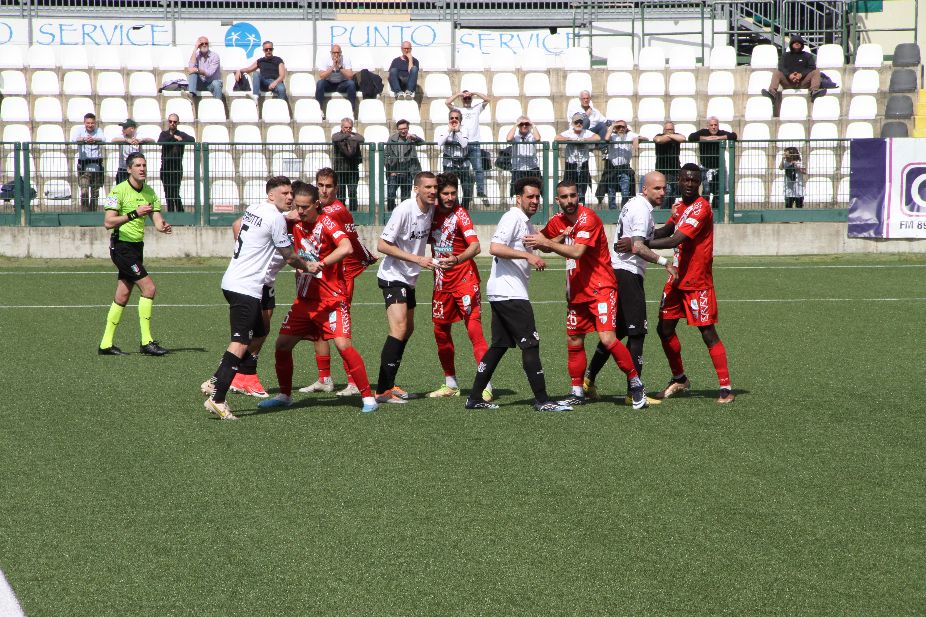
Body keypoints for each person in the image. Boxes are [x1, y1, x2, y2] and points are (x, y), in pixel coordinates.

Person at [523, 179, 650, 410]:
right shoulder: (558, 221)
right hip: (576, 290)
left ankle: (636, 384)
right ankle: (577, 392)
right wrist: (553, 239)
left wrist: (549, 242)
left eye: (573, 195)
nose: (569, 201)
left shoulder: (588, 218)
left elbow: (577, 252)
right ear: (558, 200)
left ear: (578, 196)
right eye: (564, 197)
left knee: (607, 338)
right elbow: (540, 243)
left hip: (601, 287)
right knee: (574, 339)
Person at [616, 164, 735, 404]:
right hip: (677, 278)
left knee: (707, 332)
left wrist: (638, 245)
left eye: (694, 180)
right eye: (685, 180)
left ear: (700, 182)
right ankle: (679, 378)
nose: (690, 184)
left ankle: (725, 388)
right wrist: (639, 237)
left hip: (697, 280)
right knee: (664, 328)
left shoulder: (702, 208)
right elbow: (667, 230)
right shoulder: (680, 206)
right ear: (679, 181)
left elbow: (675, 239)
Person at [258, 182, 378, 413]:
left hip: (332, 299)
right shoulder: (293, 222)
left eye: (305, 207)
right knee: (282, 345)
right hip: (304, 300)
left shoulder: (328, 223)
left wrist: (321, 263)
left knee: (343, 345)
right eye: (297, 206)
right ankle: (285, 395)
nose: (301, 211)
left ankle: (367, 397)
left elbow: (346, 247)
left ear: (316, 205)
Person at [201, 176, 311, 421]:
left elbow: (244, 225)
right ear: (271, 195)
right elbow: (289, 256)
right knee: (240, 342)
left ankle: (216, 382)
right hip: (246, 287)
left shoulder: (255, 208)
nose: (290, 197)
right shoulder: (276, 218)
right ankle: (217, 399)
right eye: (284, 193)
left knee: (259, 331)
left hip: (235, 282)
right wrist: (308, 266)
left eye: (291, 193)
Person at [462, 177, 572, 412]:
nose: (534, 201)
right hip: (510, 293)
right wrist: (528, 256)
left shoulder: (526, 223)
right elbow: (495, 247)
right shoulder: (512, 217)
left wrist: (558, 238)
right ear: (518, 198)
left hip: (502, 293)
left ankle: (474, 398)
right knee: (530, 344)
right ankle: (542, 400)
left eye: (537, 197)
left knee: (499, 346)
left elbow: (538, 244)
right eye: (530, 196)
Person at [584, 171, 679, 405]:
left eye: (664, 188)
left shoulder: (636, 205)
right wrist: (665, 262)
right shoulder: (641, 209)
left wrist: (672, 221)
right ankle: (633, 393)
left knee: (616, 333)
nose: (662, 192)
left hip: (619, 272)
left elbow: (647, 237)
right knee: (637, 334)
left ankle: (588, 380)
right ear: (645, 189)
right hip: (627, 274)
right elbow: (638, 246)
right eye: (657, 188)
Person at [299, 168, 378, 397]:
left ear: (336, 188)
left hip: (340, 278)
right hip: (320, 277)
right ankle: (324, 378)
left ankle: (353, 381)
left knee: (339, 330)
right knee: (318, 326)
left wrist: (363, 260)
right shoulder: (316, 209)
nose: (324, 190)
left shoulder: (336, 211)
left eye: (329, 186)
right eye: (320, 185)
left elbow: (350, 243)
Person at [226, 193, 301, 399]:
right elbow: (237, 225)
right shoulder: (279, 218)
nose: (298, 207)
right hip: (256, 282)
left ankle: (243, 375)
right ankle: (234, 375)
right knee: (250, 333)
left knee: (262, 330)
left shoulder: (296, 223)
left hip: (267, 282)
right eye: (297, 204)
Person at [373, 172, 440, 404]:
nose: (432, 191)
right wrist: (417, 259)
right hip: (393, 276)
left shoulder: (432, 209)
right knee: (399, 329)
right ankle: (382, 390)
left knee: (407, 330)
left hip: (410, 278)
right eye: (427, 187)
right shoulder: (404, 210)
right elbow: (382, 245)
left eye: (435, 187)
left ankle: (390, 384)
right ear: (416, 189)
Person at [97, 152, 172, 357]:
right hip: (122, 247)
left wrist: (162, 226)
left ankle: (105, 344)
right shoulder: (118, 191)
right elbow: (108, 222)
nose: (142, 169)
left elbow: (157, 220)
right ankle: (146, 342)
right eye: (137, 165)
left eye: (144, 165)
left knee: (122, 294)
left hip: (137, 248)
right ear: (129, 169)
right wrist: (134, 214)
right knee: (149, 288)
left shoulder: (149, 192)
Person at [427, 172, 492, 400]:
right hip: (441, 283)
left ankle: (486, 385)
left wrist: (456, 259)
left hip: (465, 281)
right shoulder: (430, 214)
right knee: (440, 332)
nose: (450, 197)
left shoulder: (461, 214)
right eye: (445, 193)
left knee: (474, 331)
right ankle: (451, 384)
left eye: (453, 193)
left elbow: (475, 246)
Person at [446, 89, 491, 207]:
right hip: (462, 143)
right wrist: (459, 94)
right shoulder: (458, 110)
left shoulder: (476, 108)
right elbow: (447, 102)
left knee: (478, 169)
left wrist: (475, 93)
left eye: (468, 98)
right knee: (462, 172)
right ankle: (457, 197)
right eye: (465, 98)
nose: (467, 100)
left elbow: (487, 99)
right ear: (462, 99)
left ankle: (480, 191)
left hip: (474, 143)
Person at [762, 34, 824, 111]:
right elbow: (781, 67)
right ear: (791, 44)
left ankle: (814, 91)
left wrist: (801, 75)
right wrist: (789, 75)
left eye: (799, 42)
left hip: (803, 82)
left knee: (816, 70)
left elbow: (812, 67)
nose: (797, 43)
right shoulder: (785, 55)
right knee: (777, 72)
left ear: (802, 44)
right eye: (794, 42)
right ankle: (772, 93)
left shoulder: (807, 56)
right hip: (788, 82)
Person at [688, 117, 736, 210]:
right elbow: (691, 137)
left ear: (718, 125)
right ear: (708, 126)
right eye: (711, 125)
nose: (714, 127)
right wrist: (706, 138)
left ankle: (716, 213)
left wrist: (719, 138)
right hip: (705, 168)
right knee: (706, 191)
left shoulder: (721, 133)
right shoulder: (703, 132)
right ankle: (704, 212)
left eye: (715, 125)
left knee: (718, 193)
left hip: (719, 168)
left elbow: (734, 136)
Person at [598, 119, 643, 209]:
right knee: (611, 192)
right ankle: (612, 211)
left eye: (623, 127)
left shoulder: (630, 135)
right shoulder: (613, 136)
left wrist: (637, 138)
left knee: (625, 192)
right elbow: (606, 138)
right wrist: (613, 126)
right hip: (612, 168)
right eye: (619, 127)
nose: (621, 129)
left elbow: (646, 138)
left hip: (625, 167)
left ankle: (624, 210)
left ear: (626, 128)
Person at [555, 114, 600, 204]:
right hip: (571, 164)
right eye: (576, 122)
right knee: (569, 188)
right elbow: (557, 138)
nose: (579, 124)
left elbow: (597, 137)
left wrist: (584, 140)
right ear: (572, 123)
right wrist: (571, 140)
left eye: (580, 122)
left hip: (583, 164)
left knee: (582, 190)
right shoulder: (569, 132)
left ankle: (581, 208)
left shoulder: (586, 132)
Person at [156, 113, 194, 213]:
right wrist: (174, 138)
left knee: (175, 193)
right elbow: (160, 142)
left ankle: (180, 214)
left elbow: (192, 140)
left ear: (178, 123)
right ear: (168, 122)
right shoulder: (164, 134)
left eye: (174, 122)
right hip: (165, 168)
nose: (172, 123)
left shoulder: (181, 134)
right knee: (168, 194)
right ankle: (171, 214)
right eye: (170, 121)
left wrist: (181, 139)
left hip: (176, 168)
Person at [435, 109, 473, 209]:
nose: (454, 120)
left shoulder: (465, 129)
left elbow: (464, 144)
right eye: (452, 118)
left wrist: (457, 131)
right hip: (449, 164)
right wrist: (449, 131)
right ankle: (454, 209)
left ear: (460, 120)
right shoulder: (444, 129)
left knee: (467, 190)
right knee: (450, 189)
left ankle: (464, 209)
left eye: (456, 118)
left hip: (463, 164)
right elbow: (440, 143)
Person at [384, 119, 423, 210]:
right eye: (400, 129)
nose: (403, 131)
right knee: (390, 195)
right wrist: (390, 169)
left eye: (405, 128)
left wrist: (414, 137)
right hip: (394, 172)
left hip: (408, 172)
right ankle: (391, 212)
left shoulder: (411, 138)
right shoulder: (392, 138)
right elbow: (385, 155)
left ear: (408, 128)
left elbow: (422, 142)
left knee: (405, 197)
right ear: (397, 129)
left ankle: (404, 214)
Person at [71, 112, 105, 211]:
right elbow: (73, 139)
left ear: (95, 123)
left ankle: (93, 213)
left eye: (92, 123)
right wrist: (84, 139)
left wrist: (94, 139)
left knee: (95, 192)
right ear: (84, 123)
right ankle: (84, 214)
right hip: (83, 165)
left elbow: (103, 139)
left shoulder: (99, 130)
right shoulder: (79, 130)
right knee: (84, 192)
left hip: (97, 165)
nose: (90, 125)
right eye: (88, 123)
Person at [331, 117, 364, 211]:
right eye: (346, 127)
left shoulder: (354, 135)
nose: (348, 129)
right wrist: (348, 136)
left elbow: (361, 138)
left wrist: (349, 136)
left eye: (350, 127)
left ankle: (354, 213)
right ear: (341, 127)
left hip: (353, 170)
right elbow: (335, 138)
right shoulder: (337, 135)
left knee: (353, 193)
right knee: (341, 194)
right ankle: (341, 213)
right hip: (340, 170)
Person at [506, 115, 541, 197]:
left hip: (532, 168)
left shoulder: (531, 136)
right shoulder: (515, 136)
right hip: (518, 168)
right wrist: (516, 124)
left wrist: (533, 125)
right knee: (517, 191)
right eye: (521, 124)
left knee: (537, 190)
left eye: (526, 124)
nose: (524, 126)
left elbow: (538, 138)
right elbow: (508, 139)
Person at [315, 45, 356, 115]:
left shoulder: (346, 59)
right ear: (331, 53)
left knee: (351, 84)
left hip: (341, 84)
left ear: (341, 53)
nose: (336, 54)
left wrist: (339, 66)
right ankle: (319, 110)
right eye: (334, 53)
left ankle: (351, 110)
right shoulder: (325, 59)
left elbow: (350, 76)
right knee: (320, 83)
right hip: (329, 83)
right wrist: (333, 66)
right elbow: (322, 76)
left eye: (338, 52)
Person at [112, 119, 154, 185]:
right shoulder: (122, 135)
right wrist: (126, 140)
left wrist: (141, 140)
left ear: (132, 129)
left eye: (125, 128)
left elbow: (152, 140)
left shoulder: (138, 135)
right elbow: (113, 140)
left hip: (136, 168)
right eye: (123, 127)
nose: (123, 130)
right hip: (123, 168)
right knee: (121, 188)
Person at [653, 121, 685, 205]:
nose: (669, 131)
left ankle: (670, 210)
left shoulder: (676, 135)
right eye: (667, 130)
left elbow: (683, 138)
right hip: (662, 171)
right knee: (667, 191)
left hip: (675, 170)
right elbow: (658, 140)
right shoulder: (659, 135)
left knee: (673, 193)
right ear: (663, 130)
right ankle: (663, 210)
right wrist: (671, 137)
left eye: (671, 129)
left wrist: (669, 136)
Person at [185, 36, 224, 102]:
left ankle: (219, 104)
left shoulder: (215, 56)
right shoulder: (196, 55)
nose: (204, 45)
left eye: (206, 43)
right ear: (199, 45)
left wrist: (197, 70)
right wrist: (195, 48)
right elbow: (191, 67)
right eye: (202, 43)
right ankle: (191, 94)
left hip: (211, 83)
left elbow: (209, 73)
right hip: (200, 83)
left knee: (216, 83)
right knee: (193, 73)